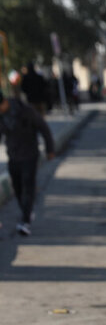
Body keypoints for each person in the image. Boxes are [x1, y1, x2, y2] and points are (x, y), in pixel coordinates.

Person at [0, 90, 55, 235]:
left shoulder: (25, 111)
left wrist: (50, 149)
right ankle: (27, 212)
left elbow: (43, 128)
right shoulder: (1, 117)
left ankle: (25, 221)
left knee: (28, 186)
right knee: (17, 188)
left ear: (4, 102)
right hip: (13, 156)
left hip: (30, 155)